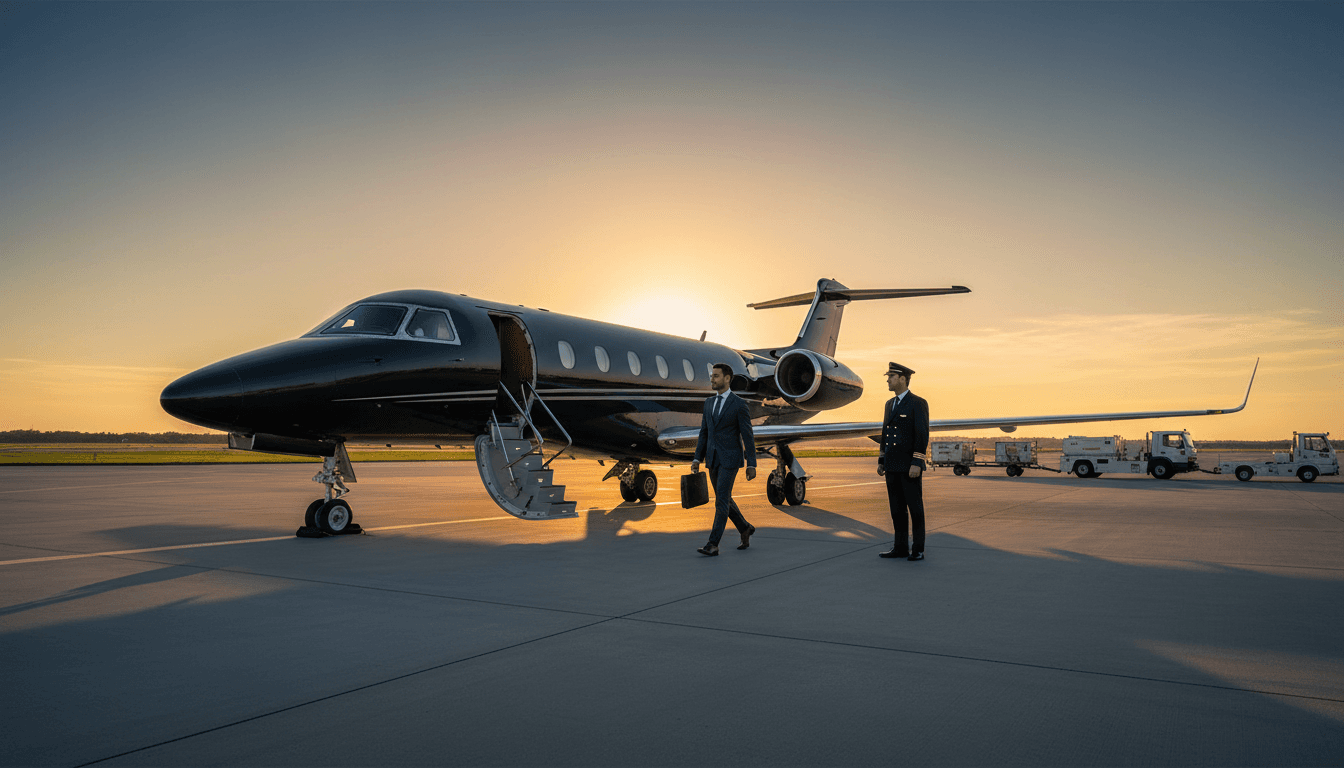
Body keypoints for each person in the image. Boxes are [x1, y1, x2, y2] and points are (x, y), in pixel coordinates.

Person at [690, 363, 757, 556]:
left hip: (730, 459)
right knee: (724, 499)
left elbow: (747, 435)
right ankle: (745, 528)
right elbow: (704, 433)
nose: (712, 379)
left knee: (720, 501)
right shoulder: (709, 403)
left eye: (716, 376)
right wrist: (697, 458)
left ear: (727, 378)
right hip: (712, 459)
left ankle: (713, 544)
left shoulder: (739, 404)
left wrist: (751, 463)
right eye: (712, 376)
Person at [877, 362, 929, 561]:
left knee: (915, 508)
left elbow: (922, 434)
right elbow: (885, 434)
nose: (888, 380)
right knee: (896, 509)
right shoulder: (889, 404)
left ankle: (918, 549)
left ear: (902, 378)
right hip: (892, 465)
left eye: (890, 376)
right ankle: (900, 547)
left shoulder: (917, 403)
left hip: (909, 466)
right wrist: (882, 460)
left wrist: (917, 462)